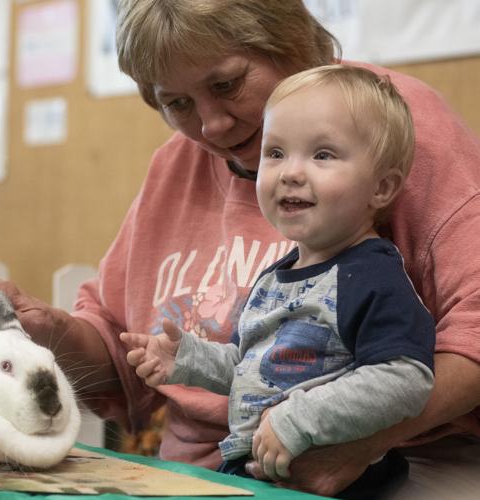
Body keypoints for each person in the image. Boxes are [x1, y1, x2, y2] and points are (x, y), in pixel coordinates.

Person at [0, 1, 480, 497]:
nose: (210, 124)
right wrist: (44, 327)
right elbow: (125, 356)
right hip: (210, 473)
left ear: (290, 44)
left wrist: (355, 443)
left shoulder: (388, 124)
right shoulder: (173, 166)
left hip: (393, 459)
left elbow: (470, 336)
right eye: (176, 103)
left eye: (228, 85)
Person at [120, 64, 435, 499]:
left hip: (333, 480)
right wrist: (187, 359)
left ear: (381, 188)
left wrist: (299, 418)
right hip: (253, 471)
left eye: (322, 155)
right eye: (276, 153)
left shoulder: (371, 275)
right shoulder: (275, 277)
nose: (290, 172)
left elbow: (407, 379)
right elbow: (257, 370)